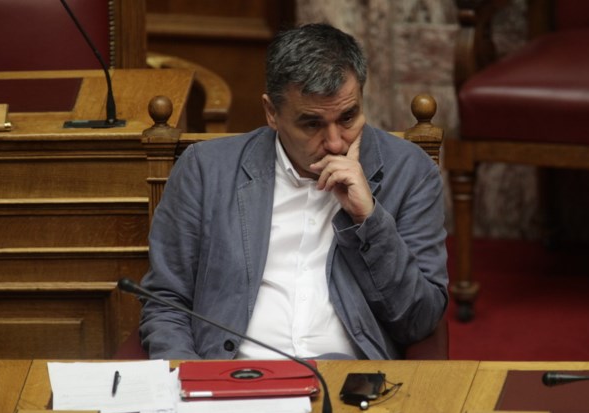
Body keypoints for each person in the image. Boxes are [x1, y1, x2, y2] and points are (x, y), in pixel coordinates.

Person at [139, 22, 448, 360]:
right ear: (272, 113)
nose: (335, 143)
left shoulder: (410, 172)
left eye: (348, 118)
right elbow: (166, 302)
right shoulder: (206, 170)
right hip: (235, 375)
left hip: (350, 379)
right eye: (312, 124)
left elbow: (420, 320)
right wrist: (191, 379)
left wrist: (368, 220)